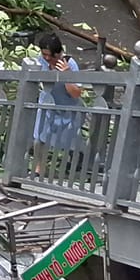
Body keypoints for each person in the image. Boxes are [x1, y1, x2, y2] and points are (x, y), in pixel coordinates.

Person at [31, 31, 88, 175]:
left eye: (51, 55)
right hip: (47, 103)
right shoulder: (42, 60)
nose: (47, 58)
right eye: (45, 54)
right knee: (39, 137)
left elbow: (76, 93)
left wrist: (66, 76)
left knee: (69, 139)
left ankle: (72, 165)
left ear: (59, 53)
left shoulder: (70, 63)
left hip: (67, 106)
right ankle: (39, 168)